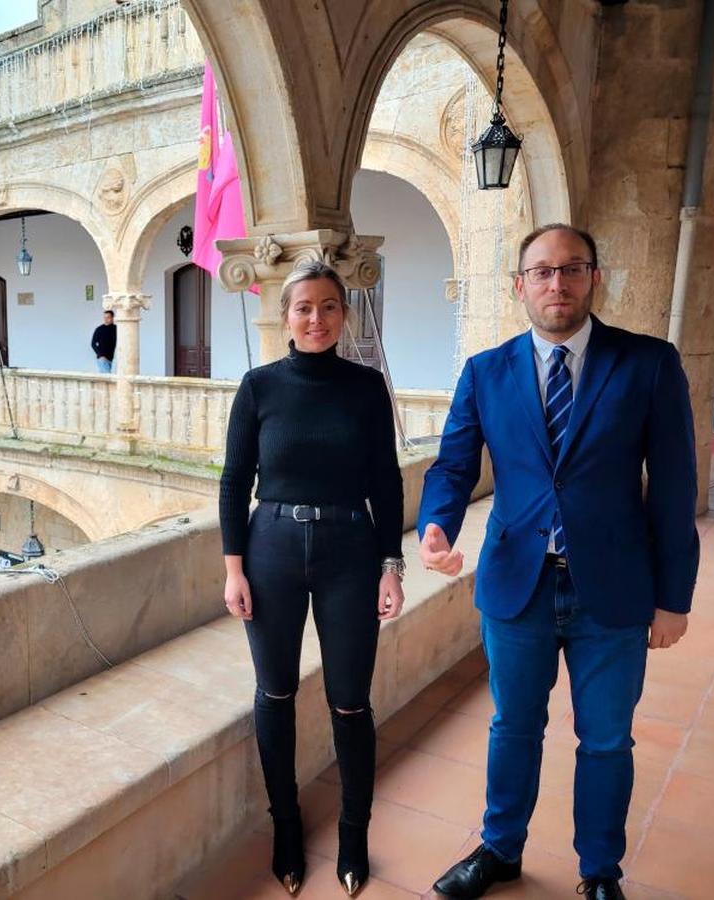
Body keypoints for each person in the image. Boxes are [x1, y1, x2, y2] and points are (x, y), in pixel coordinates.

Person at [418, 225, 699, 900]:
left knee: (606, 740)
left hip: (616, 589)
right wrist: (435, 524)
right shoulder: (485, 371)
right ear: (520, 286)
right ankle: (500, 849)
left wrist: (675, 597)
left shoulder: (648, 364)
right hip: (519, 587)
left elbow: (674, 486)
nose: (557, 284)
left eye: (571, 269)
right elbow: (454, 465)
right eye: (541, 272)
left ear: (594, 278)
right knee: (513, 726)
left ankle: (600, 870)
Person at [220, 259, 406, 897]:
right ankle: (287, 826)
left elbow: (386, 477)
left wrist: (392, 565)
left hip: (350, 549)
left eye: (329, 306)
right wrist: (233, 568)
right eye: (304, 307)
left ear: (343, 314)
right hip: (269, 545)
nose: (317, 318)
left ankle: (354, 832)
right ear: (285, 317)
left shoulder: (365, 386)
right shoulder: (258, 386)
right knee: (274, 693)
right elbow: (232, 481)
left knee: (350, 700)